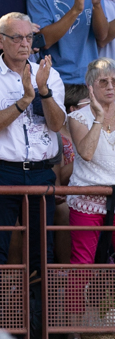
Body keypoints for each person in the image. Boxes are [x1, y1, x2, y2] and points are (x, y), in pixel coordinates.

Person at [0, 12, 64, 281]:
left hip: (40, 171)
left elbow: (57, 125)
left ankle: (38, 323)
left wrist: (43, 92)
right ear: (0, 40)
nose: (25, 43)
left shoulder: (49, 75)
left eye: (29, 37)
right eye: (17, 37)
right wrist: (25, 99)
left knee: (41, 254)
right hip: (0, 171)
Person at [64, 58, 115, 265]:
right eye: (103, 82)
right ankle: (79, 300)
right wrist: (99, 117)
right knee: (82, 262)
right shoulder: (78, 117)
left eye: (114, 81)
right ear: (90, 86)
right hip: (88, 197)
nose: (110, 86)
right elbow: (86, 153)